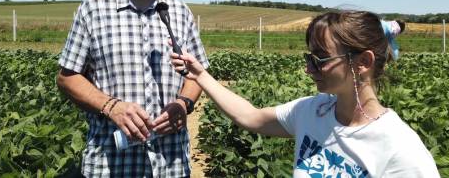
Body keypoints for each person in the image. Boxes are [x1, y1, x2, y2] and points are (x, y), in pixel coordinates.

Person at [171, 11, 439, 177]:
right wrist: (200, 75)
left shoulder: (400, 149)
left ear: (363, 62)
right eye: (309, 57)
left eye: (320, 59)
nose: (309, 68)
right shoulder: (314, 110)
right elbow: (251, 116)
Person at [57, 0, 208, 177]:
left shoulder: (179, 11)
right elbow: (67, 78)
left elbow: (197, 75)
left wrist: (184, 104)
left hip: (170, 164)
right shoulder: (94, 9)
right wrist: (111, 106)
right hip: (110, 164)